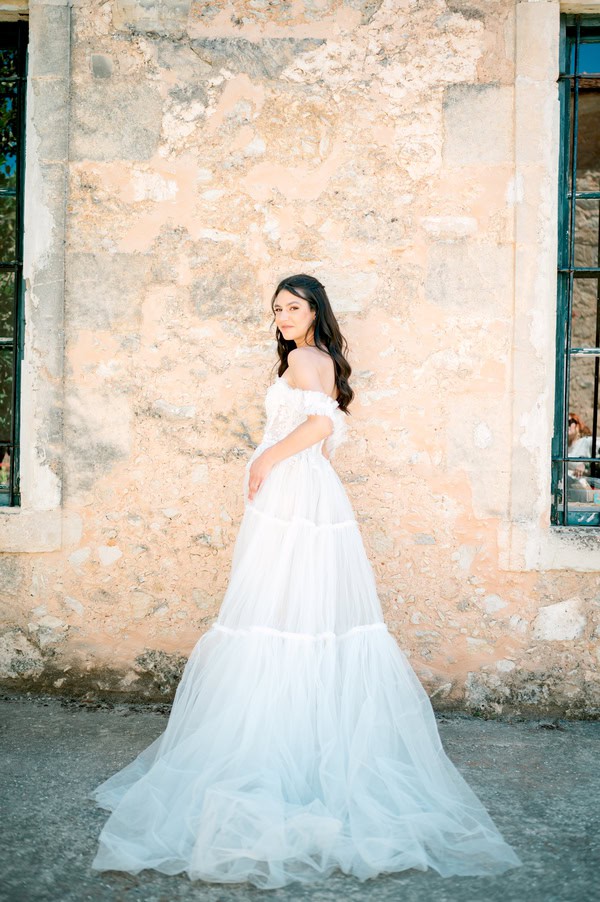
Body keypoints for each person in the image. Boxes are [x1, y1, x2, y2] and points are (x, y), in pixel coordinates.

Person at [88, 274, 521, 888]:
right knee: (291, 611)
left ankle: (284, 744)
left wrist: (264, 459)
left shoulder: (307, 357)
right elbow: (323, 426)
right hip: (301, 493)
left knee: (285, 613)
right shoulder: (311, 358)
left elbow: (320, 427)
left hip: (296, 495)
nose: (283, 316)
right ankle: (296, 737)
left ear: (314, 309)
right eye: (277, 309)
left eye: (293, 306)